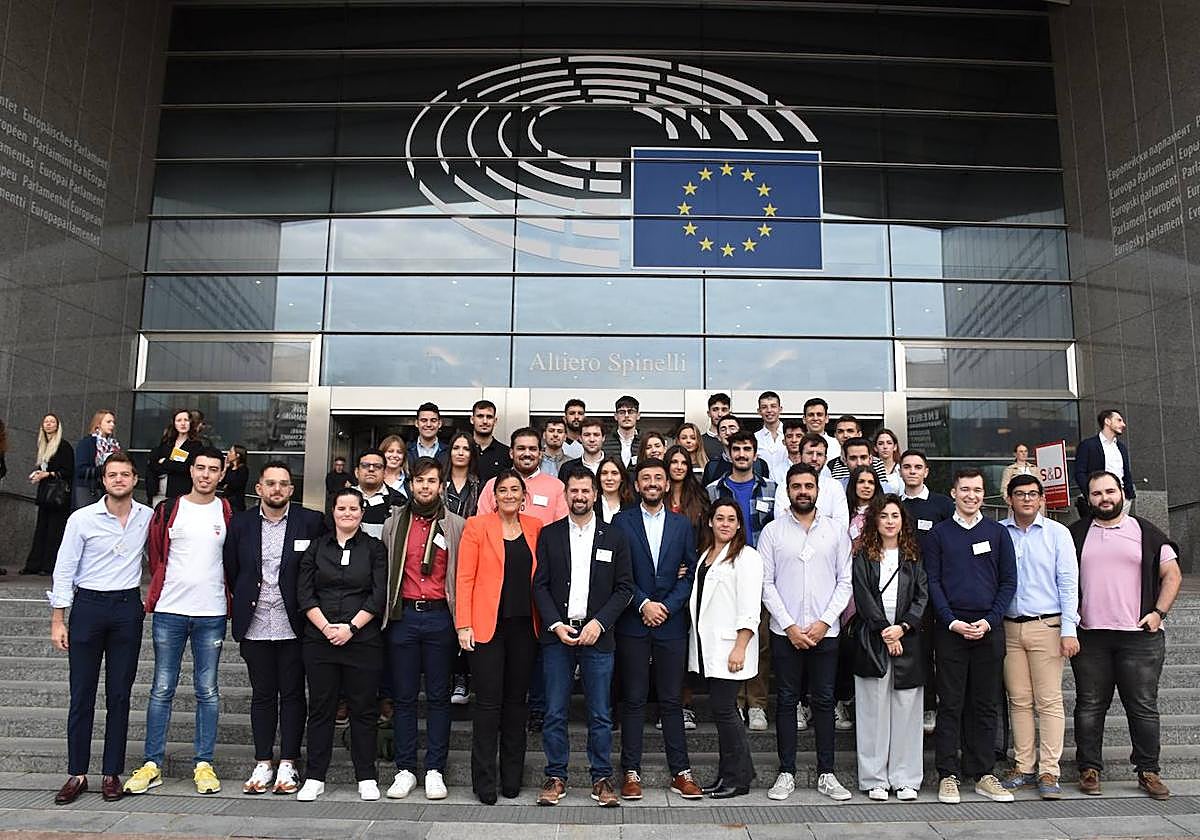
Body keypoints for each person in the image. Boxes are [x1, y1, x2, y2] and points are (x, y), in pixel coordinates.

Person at [124, 448, 234, 797]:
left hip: (212, 611)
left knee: (208, 690)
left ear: (222, 474)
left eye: (213, 470)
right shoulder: (169, 509)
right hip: (170, 609)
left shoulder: (228, 510)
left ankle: (204, 763)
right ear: (190, 470)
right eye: (200, 468)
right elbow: (156, 555)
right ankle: (152, 763)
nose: (205, 475)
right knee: (161, 688)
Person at [1069, 470, 1182, 801]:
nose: (1104, 498)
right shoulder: (1075, 534)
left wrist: (1158, 613)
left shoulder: (1146, 532)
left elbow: (1172, 575)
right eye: (1096, 494)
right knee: (1089, 705)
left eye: (1109, 491)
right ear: (1088, 499)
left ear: (1121, 493)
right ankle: (1089, 768)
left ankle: (1149, 771)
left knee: (1143, 706)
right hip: (1090, 636)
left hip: (1139, 636)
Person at [48, 452, 152, 805]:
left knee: (120, 695)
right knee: (81, 695)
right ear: (104, 481)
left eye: (125, 474)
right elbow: (63, 569)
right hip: (88, 607)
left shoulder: (148, 518)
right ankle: (77, 773)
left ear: (135, 479)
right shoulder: (82, 519)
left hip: (126, 608)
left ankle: (111, 773)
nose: (119, 480)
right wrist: (58, 619)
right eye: (113, 475)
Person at [532, 467, 634, 807]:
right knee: (555, 711)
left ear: (595, 494)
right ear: (566, 495)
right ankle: (556, 775)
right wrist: (554, 625)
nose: (579, 496)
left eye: (585, 491)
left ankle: (601, 778)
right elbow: (540, 585)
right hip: (558, 636)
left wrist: (599, 623)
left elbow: (624, 588)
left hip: (598, 636)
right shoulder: (549, 534)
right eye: (573, 491)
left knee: (601, 713)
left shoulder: (615, 536)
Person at [223, 462, 325, 796]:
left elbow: (317, 570)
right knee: (263, 695)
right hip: (255, 622)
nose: (277, 489)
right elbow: (233, 569)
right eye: (270, 483)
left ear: (292, 490)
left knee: (294, 694)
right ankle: (264, 760)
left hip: (294, 622)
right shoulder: (240, 524)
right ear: (259, 488)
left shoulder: (310, 521)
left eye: (283, 483)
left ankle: (290, 762)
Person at [760, 463, 853, 802]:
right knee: (786, 701)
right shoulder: (772, 532)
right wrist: (789, 625)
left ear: (818, 491)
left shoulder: (835, 532)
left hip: (825, 632)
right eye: (796, 485)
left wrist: (824, 622)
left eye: (808, 486)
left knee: (824, 702)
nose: (803, 491)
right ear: (787, 491)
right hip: (786, 633)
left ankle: (827, 774)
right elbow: (765, 583)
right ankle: (787, 772)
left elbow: (846, 582)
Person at [612, 458, 702, 801]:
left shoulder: (681, 525)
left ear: (667, 485)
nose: (651, 483)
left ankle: (681, 772)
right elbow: (620, 574)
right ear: (636, 485)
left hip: (671, 623)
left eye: (658, 478)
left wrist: (667, 606)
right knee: (633, 700)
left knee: (670, 700)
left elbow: (690, 572)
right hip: (633, 622)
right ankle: (630, 773)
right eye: (645, 478)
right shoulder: (621, 522)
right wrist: (643, 604)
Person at [925, 468, 1017, 805]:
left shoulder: (997, 533)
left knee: (985, 704)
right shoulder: (939, 535)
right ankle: (948, 774)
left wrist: (990, 620)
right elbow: (932, 581)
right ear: (953, 493)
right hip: (950, 631)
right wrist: (950, 621)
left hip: (988, 629)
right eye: (965, 490)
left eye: (977, 490)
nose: (971, 496)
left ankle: (983, 773)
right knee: (950, 704)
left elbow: (1008, 581)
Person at [380, 457, 466, 802]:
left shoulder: (456, 525)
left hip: (440, 617)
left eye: (432, 481)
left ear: (441, 485)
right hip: (403, 617)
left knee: (438, 698)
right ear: (410, 484)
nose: (425, 487)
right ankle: (404, 769)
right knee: (402, 697)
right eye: (420, 481)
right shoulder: (393, 522)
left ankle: (434, 769)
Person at [456, 470, 543, 804]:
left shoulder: (536, 527)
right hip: (486, 628)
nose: (508, 494)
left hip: (525, 627)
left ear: (524, 495)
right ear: (494, 496)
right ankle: (485, 781)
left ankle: (512, 778)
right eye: (502, 489)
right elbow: (464, 578)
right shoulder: (477, 526)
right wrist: (464, 624)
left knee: (516, 706)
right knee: (488, 706)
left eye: (514, 490)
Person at [295, 488, 388, 802]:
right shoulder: (317, 548)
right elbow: (305, 593)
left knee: (363, 710)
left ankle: (366, 776)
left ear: (362, 512)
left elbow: (378, 594)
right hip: (319, 641)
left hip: (362, 640)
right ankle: (315, 776)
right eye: (342, 508)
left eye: (354, 508)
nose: (348, 513)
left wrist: (350, 627)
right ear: (332, 512)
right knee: (321, 709)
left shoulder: (375, 549)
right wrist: (326, 628)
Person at [997, 473, 1079, 800]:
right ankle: (1023, 765)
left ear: (1042, 499)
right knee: (1018, 699)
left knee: (1048, 701)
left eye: (1033, 494)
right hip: (1009, 628)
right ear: (1009, 499)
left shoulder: (1058, 534)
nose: (1027, 499)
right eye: (1020, 494)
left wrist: (1069, 629)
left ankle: (1049, 770)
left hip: (1048, 626)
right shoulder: (999, 533)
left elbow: (1068, 584)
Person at [850, 496, 929, 802]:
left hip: (907, 639)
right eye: (884, 516)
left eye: (895, 516)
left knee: (907, 710)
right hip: (873, 639)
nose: (890, 521)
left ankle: (906, 778)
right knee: (872, 711)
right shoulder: (864, 555)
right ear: (875, 521)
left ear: (903, 521)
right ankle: (874, 779)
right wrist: (885, 630)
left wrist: (903, 627)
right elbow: (863, 595)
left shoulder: (913, 555)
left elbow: (922, 595)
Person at [688, 499, 763, 800]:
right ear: (710, 522)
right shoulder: (706, 554)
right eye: (720, 518)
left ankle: (739, 777)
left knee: (726, 712)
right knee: (722, 713)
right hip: (709, 648)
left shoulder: (747, 557)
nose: (725, 524)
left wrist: (740, 646)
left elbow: (749, 608)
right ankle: (730, 773)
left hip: (730, 648)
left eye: (732, 519)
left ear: (739, 525)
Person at [897, 449, 955, 735]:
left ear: (926, 472)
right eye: (906, 466)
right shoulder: (895, 505)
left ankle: (933, 705)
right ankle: (917, 706)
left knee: (937, 649)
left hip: (936, 588)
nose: (912, 471)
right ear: (899, 471)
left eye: (917, 467)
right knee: (914, 650)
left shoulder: (941, 504)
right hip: (903, 590)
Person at [477, 427, 569, 525]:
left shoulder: (557, 487)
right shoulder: (493, 485)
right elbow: (481, 525)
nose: (527, 454)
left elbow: (562, 529)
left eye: (532, 449)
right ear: (511, 453)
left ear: (541, 454)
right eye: (521, 448)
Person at [23, 413, 75, 576]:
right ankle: (34, 564)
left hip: (58, 496)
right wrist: (38, 474)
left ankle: (49, 565)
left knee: (54, 530)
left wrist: (49, 474)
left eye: (52, 422)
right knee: (41, 529)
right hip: (46, 494)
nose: (49, 424)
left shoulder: (63, 446)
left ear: (58, 426)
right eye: (46, 421)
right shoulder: (43, 445)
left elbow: (68, 471)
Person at [773, 433, 849, 533]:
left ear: (825, 459)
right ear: (799, 456)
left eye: (819, 454)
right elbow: (781, 522)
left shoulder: (835, 486)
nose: (814, 458)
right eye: (809, 453)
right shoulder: (784, 486)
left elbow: (841, 525)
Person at [1074, 409, 1135, 515]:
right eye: (1119, 420)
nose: (1123, 424)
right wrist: (1090, 495)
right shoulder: (1088, 445)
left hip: (1122, 499)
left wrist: (1129, 496)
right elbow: (1080, 473)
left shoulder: (1121, 447)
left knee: (1119, 531)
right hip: (1098, 499)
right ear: (1107, 421)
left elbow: (1126, 472)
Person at [146, 409, 202, 508]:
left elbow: (186, 468)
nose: (183, 423)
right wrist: (174, 466)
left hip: (181, 493)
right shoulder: (167, 442)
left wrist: (165, 462)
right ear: (174, 424)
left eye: (186, 420)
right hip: (159, 492)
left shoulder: (196, 445)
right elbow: (153, 463)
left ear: (191, 423)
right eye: (179, 420)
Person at [702, 415, 770, 485]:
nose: (728, 432)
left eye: (732, 428)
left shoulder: (760, 465)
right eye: (723, 429)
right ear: (718, 437)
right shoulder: (712, 467)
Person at [347, 449, 399, 540]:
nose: (371, 469)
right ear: (356, 472)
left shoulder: (398, 500)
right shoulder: (342, 499)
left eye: (377, 466)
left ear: (385, 473)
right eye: (365, 465)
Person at [74, 410, 120, 510]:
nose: (112, 425)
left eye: (113, 422)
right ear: (98, 424)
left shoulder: (114, 445)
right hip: (89, 490)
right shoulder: (87, 443)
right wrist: (105, 470)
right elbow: (80, 470)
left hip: (107, 491)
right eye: (108, 422)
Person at [665, 445, 708, 531]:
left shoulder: (699, 495)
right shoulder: (657, 495)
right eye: (674, 462)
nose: (679, 467)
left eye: (684, 463)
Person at [471, 399, 512, 485]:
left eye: (489, 417)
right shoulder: (461, 450)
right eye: (480, 416)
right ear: (472, 419)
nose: (485, 421)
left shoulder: (505, 453)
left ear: (495, 421)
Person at [443, 431, 481, 519]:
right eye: (456, 448)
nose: (460, 453)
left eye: (466, 449)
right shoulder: (439, 482)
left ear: (472, 454)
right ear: (450, 452)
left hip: (470, 531)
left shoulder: (479, 485)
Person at [602, 395, 641, 469]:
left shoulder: (645, 442)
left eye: (631, 412)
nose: (626, 415)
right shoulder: (604, 442)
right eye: (622, 412)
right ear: (616, 416)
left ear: (638, 415)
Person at [847, 466, 884, 544]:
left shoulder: (882, 512)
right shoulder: (845, 511)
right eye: (861, 481)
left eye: (871, 482)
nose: (866, 486)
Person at [754, 391, 786, 474]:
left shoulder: (791, 435)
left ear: (780, 409)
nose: (769, 410)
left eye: (773, 406)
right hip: (764, 484)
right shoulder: (754, 438)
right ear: (759, 411)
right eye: (764, 407)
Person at [1000, 443, 1037, 509]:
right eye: (1021, 451)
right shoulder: (1009, 469)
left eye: (1025, 451)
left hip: (1034, 502)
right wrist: (1010, 501)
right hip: (1017, 501)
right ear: (1015, 454)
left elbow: (1041, 486)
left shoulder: (1034, 468)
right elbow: (1004, 488)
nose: (1024, 453)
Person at [597, 457, 634, 523]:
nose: (609, 478)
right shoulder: (592, 504)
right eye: (604, 473)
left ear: (622, 477)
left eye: (614, 473)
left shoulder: (632, 505)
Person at [218, 445, 248, 513]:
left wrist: (227, 485)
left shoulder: (243, 469)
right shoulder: (229, 468)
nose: (228, 453)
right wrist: (225, 468)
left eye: (231, 452)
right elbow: (220, 482)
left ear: (237, 455)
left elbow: (235, 485)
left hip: (236, 505)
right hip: (225, 502)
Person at [379, 434, 410, 501]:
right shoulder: (374, 477)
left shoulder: (410, 480)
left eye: (399, 452)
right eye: (390, 451)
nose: (395, 455)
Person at [702, 393, 731, 462]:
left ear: (729, 413)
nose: (720, 414)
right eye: (715, 409)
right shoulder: (699, 441)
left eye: (724, 410)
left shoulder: (737, 441)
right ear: (709, 413)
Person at [874, 429, 902, 494]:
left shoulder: (901, 468)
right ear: (875, 448)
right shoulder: (870, 468)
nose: (885, 447)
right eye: (880, 443)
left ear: (895, 447)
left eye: (889, 443)